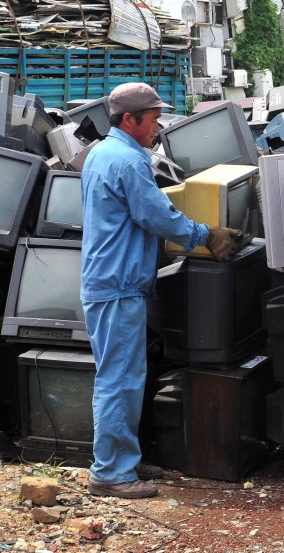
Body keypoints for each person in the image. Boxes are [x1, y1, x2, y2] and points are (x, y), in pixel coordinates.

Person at [80, 82, 241, 499]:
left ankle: (121, 462)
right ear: (129, 120)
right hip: (118, 286)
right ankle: (111, 473)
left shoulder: (101, 153)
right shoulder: (127, 163)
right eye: (152, 120)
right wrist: (207, 234)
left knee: (123, 377)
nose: (158, 127)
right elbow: (160, 218)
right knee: (119, 381)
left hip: (110, 282)